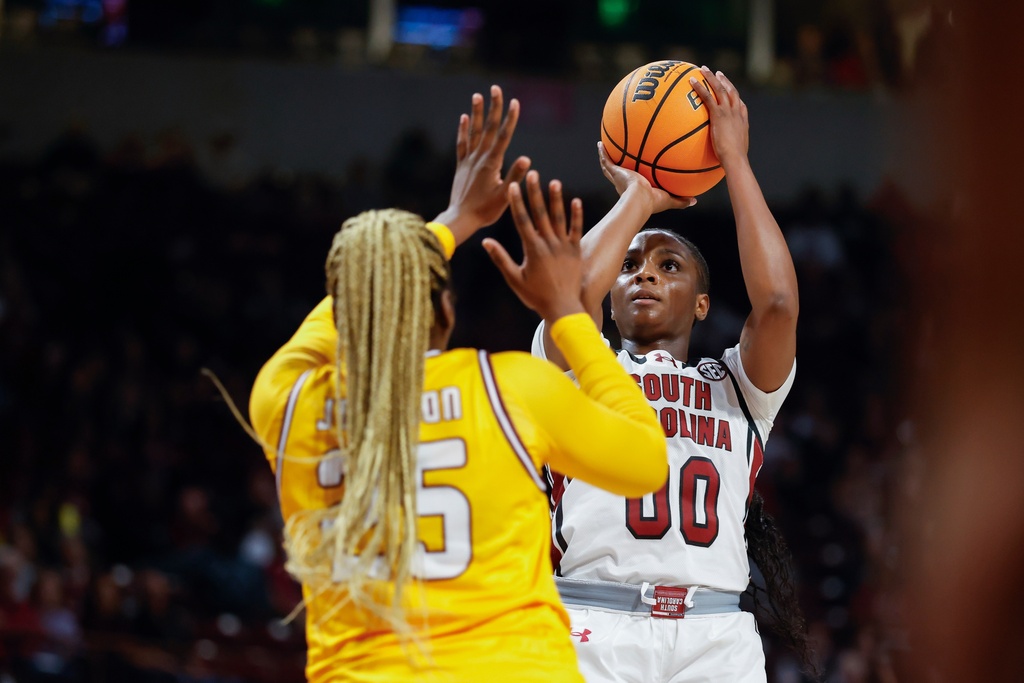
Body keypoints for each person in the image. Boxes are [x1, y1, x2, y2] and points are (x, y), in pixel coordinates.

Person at [246, 86, 668, 683]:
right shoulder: (508, 389)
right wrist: (567, 313)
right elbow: (648, 462)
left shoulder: (286, 401)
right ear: (444, 308)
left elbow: (341, 313)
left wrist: (451, 223)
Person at [532, 67, 810, 682]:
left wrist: (734, 160)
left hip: (716, 639)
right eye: (629, 264)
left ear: (702, 302)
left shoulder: (737, 389)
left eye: (668, 264)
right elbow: (570, 292)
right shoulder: (580, 368)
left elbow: (780, 306)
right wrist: (641, 197)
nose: (645, 274)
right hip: (591, 623)